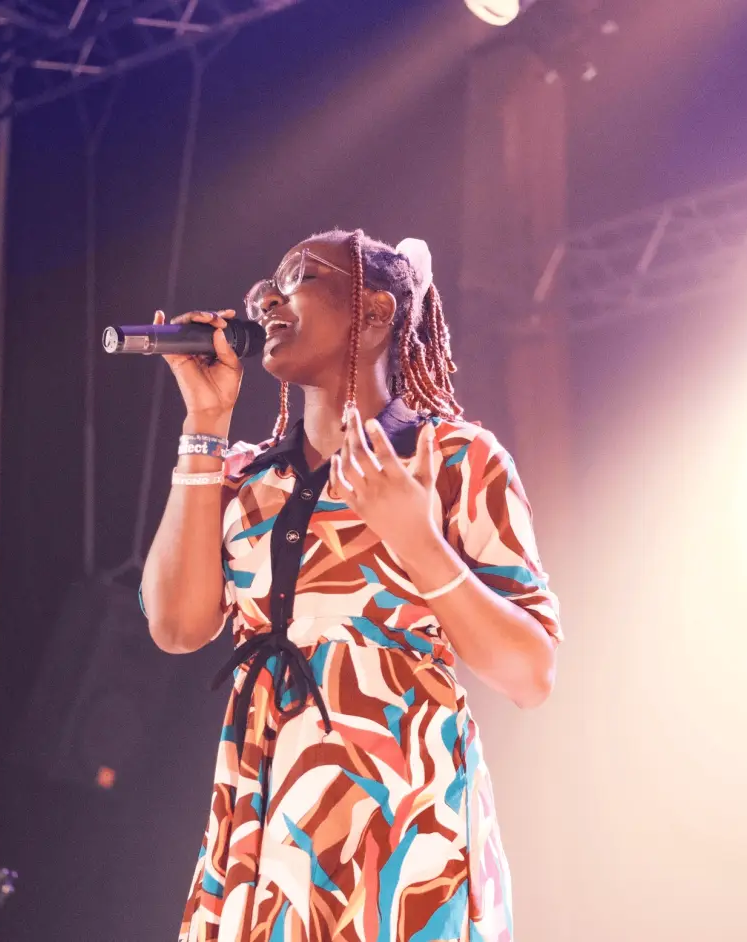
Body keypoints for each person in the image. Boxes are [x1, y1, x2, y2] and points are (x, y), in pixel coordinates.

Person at [141, 229, 562, 942]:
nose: (268, 300)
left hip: (402, 830)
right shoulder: (244, 477)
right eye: (266, 287)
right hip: (265, 821)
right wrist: (205, 424)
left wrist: (419, 542)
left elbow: (530, 674)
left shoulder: (454, 459)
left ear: (375, 312)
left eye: (298, 278)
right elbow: (177, 628)